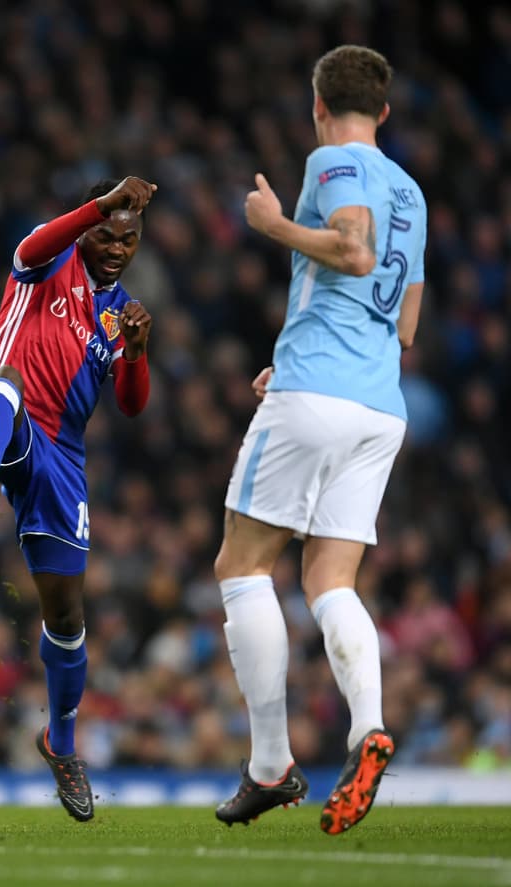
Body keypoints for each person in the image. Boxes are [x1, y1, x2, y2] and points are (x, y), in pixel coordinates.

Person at [212, 45, 426, 835]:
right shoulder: (415, 193)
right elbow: (405, 323)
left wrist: (274, 226)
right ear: (388, 110)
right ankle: (367, 725)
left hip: (320, 391)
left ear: (317, 104)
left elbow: (353, 248)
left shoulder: (334, 159)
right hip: (379, 406)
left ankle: (270, 765)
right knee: (331, 580)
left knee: (241, 563)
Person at [0, 176, 157, 821]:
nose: (118, 247)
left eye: (129, 237)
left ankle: (59, 743)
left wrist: (137, 353)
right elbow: (39, 239)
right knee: (3, 380)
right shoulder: (46, 262)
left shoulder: (122, 312)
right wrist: (100, 204)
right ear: (87, 225)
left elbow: (129, 406)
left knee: (66, 621)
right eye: (107, 233)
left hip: (62, 459)